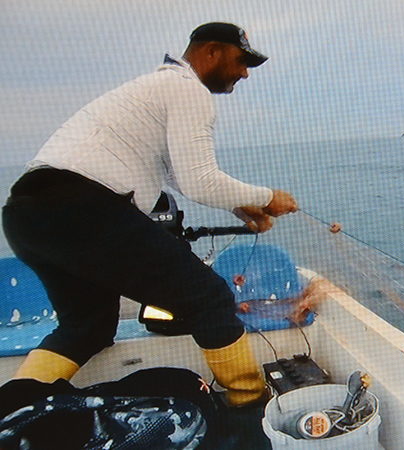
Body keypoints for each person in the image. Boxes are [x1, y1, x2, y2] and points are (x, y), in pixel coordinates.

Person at [2, 22, 298, 407]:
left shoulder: (152, 89)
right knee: (208, 297)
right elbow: (200, 181)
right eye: (241, 61)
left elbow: (175, 173)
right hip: (82, 210)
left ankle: (14, 411)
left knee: (86, 328)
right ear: (210, 52)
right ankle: (250, 404)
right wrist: (268, 196)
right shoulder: (186, 88)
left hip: (27, 218)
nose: (244, 73)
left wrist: (238, 204)